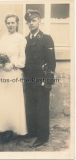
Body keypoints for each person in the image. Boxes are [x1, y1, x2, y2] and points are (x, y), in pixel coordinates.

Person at [0, 14, 27, 143]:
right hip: (2, 74)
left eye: (12, 22)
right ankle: (2, 129)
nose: (10, 25)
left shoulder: (20, 39)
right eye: (8, 23)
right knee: (1, 102)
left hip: (13, 74)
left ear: (17, 24)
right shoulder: (3, 38)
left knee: (11, 102)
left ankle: (10, 131)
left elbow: (23, 60)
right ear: (6, 24)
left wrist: (12, 64)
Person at [23, 9, 56, 148]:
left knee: (42, 108)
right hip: (29, 78)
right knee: (30, 106)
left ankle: (43, 136)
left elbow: (52, 62)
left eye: (33, 20)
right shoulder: (25, 40)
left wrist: (48, 81)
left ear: (39, 21)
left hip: (41, 78)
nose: (31, 23)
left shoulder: (46, 38)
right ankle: (32, 132)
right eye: (29, 21)